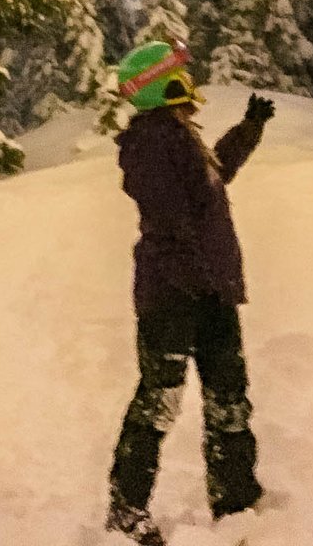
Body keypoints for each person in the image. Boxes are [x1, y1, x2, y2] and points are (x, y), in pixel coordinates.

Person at [105, 41, 276, 546]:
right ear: (162, 83)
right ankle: (126, 507)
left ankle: (236, 498)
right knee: (160, 400)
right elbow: (169, 218)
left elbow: (211, 179)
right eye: (180, 71)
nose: (190, 79)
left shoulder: (177, 135)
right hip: (175, 295)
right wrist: (194, 270)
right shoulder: (152, 141)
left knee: (229, 398)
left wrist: (248, 131)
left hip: (209, 292)